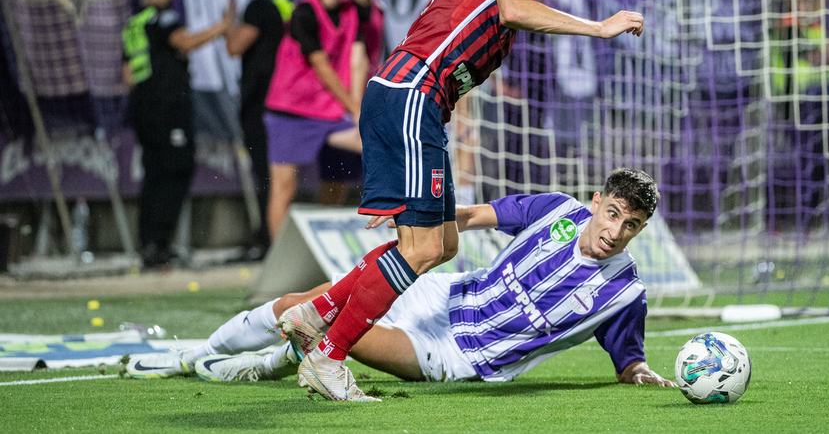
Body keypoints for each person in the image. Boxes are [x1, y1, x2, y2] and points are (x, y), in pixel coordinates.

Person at [296, 0, 645, 400]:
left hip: (418, 105)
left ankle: (317, 311)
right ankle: (327, 355)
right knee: (420, 249)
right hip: (412, 97)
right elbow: (513, 10)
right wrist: (598, 27)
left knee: (442, 244)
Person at [126, 169, 675, 398]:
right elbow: (472, 215)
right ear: (596, 202)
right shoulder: (555, 211)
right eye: (613, 213)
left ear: (641, 229)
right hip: (441, 295)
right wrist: (414, 220)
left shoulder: (625, 293)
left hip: (457, 354)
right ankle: (196, 355)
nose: (615, 231)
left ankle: (268, 363)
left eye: (631, 225)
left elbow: (629, 360)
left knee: (335, 327)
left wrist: (640, 372)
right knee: (304, 302)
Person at [122, 0, 234, 269]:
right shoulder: (166, 17)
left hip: (143, 109)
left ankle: (148, 244)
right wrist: (222, 27)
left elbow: (128, 75)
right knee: (177, 169)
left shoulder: (133, 25)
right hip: (168, 109)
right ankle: (160, 245)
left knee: (153, 174)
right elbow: (184, 42)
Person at [262, 0, 367, 240]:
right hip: (290, 110)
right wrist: (355, 108)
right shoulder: (305, 12)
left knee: (376, 144)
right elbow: (322, 67)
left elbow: (357, 60)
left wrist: (359, 108)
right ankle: (278, 258)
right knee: (284, 188)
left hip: (329, 111)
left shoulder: (352, 12)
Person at [223, 0, 294, 259]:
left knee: (265, 174)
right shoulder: (287, 2)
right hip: (284, 102)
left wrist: (227, 24)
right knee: (277, 175)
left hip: (260, 103)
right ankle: (270, 238)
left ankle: (266, 240)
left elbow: (235, 47)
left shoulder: (259, 6)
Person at [317, 0, 387, 206]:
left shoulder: (378, 10)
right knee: (334, 185)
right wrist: (353, 106)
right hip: (343, 105)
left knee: (365, 181)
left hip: (366, 105)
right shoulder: (343, 8)